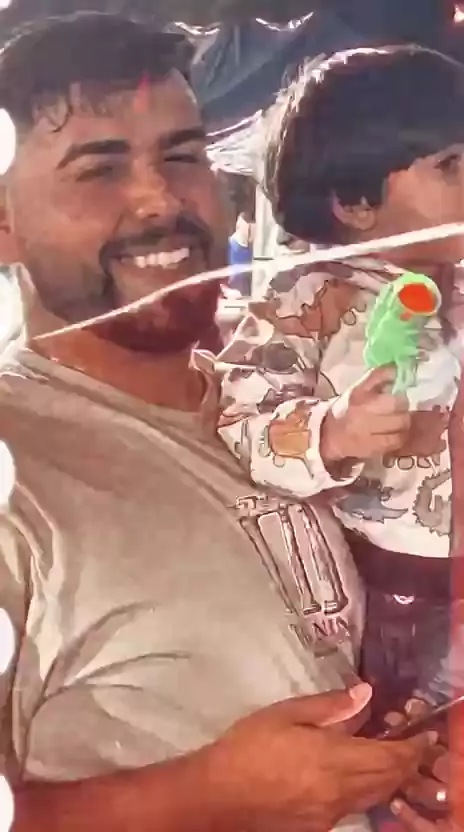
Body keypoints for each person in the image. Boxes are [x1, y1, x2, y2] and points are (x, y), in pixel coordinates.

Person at [0, 14, 433, 832]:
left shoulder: (302, 380)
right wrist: (201, 797)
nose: (162, 198)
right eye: (98, 170)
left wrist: (433, 752)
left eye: (182, 156)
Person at [217, 45, 464, 720]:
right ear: (356, 202)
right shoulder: (309, 296)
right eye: (450, 165)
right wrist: (333, 433)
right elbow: (241, 416)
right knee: (381, 729)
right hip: (376, 589)